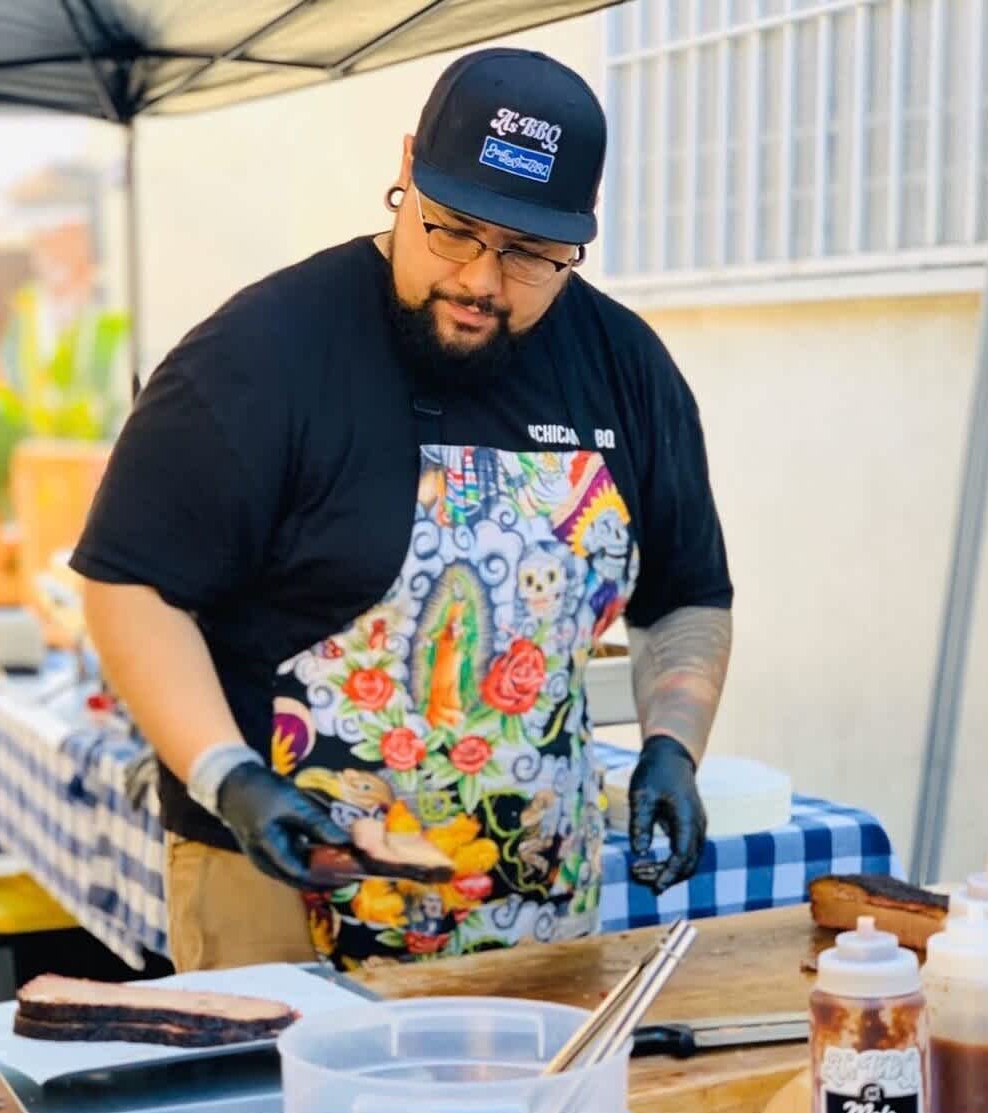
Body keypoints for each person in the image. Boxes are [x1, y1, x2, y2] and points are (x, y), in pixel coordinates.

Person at [73, 48, 733, 973]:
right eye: (453, 228)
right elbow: (128, 586)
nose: (481, 281)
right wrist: (232, 779)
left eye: (530, 254)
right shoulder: (259, 356)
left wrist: (673, 746)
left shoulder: (627, 370)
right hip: (281, 884)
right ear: (406, 170)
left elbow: (689, 595)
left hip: (530, 908)